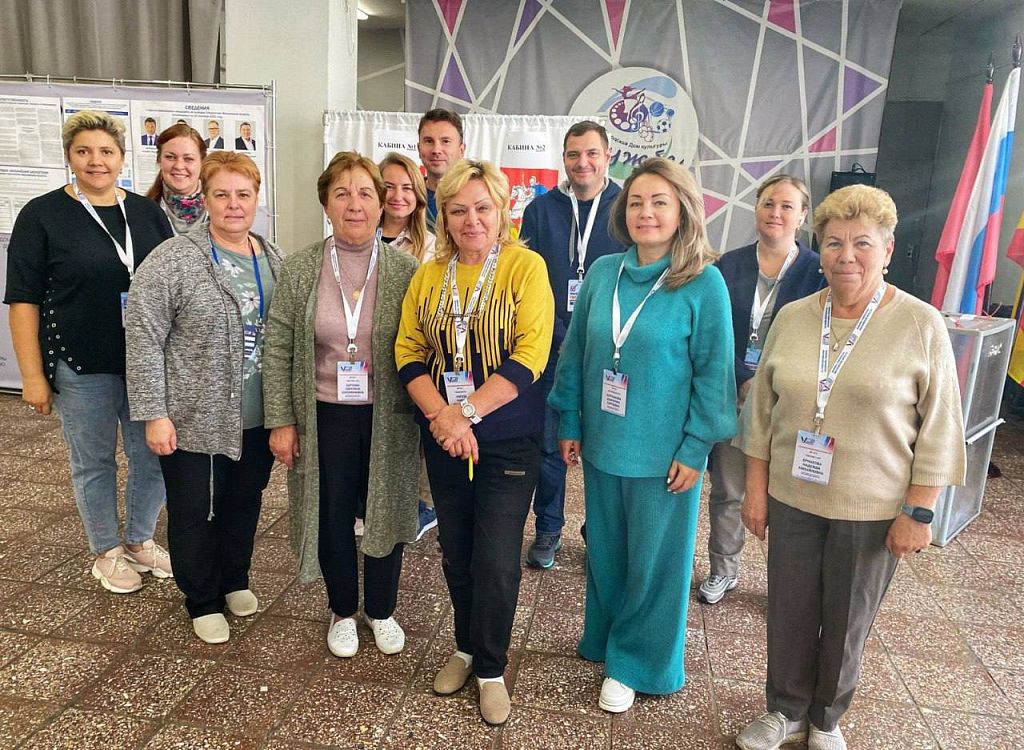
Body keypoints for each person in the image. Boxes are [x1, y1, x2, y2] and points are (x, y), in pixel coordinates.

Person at [734, 185, 966, 750]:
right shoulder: (793, 317)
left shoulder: (920, 323)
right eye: (834, 243)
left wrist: (920, 512)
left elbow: (940, 427)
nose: (846, 256)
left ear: (887, 250)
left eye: (863, 243)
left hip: (873, 508)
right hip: (792, 497)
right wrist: (755, 491)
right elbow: (761, 415)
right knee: (789, 611)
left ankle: (825, 719)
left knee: (847, 620)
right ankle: (785, 710)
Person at [548, 157, 735, 714]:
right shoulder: (604, 272)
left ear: (683, 211)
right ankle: (607, 638)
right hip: (603, 445)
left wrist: (696, 448)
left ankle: (638, 664)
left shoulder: (703, 282)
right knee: (606, 553)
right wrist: (570, 419)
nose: (645, 212)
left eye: (659, 202)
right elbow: (576, 352)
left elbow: (714, 376)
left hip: (665, 458)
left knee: (656, 566)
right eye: (635, 202)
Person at [395, 159, 554, 725]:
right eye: (458, 210)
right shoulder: (429, 274)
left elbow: (531, 355)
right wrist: (443, 418)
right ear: (443, 217)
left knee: (496, 558)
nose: (471, 220)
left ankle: (490, 668)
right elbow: (408, 351)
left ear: (502, 211)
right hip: (444, 437)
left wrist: (463, 413)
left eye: (482, 208)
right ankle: (465, 647)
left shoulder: (524, 267)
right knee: (457, 550)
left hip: (507, 439)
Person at [4, 110, 173, 594]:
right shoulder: (42, 215)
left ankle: (139, 539)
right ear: (69, 157)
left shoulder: (146, 213)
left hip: (146, 363)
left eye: (106, 151)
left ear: (122, 158)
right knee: (94, 462)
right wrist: (32, 376)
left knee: (153, 456)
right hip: (80, 364)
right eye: (84, 151)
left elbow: (173, 284)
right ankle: (106, 551)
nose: (96, 161)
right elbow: (23, 301)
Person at [262, 152, 420, 658]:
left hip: (389, 415)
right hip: (323, 413)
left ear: (382, 204)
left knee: (385, 510)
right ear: (326, 204)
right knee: (330, 512)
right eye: (342, 194)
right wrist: (281, 420)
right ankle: (343, 610)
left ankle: (382, 610)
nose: (355, 204)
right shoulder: (301, 267)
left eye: (366, 193)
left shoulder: (406, 270)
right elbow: (278, 346)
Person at [125, 151, 283, 644]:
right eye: (222, 194)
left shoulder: (273, 258)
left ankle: (234, 579)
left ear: (257, 199)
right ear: (205, 199)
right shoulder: (174, 258)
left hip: (257, 412)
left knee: (244, 502)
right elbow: (143, 335)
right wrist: (154, 413)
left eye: (243, 194)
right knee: (194, 508)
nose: (234, 204)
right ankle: (202, 598)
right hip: (190, 414)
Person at [698, 175, 824, 605]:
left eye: (787, 206)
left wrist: (770, 381)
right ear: (755, 208)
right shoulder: (726, 266)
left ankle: (788, 584)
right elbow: (713, 333)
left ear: (802, 216)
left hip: (790, 400)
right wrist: (742, 377)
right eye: (768, 203)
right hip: (735, 393)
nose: (776, 213)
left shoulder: (817, 271)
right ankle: (723, 568)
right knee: (729, 490)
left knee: (791, 497)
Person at [519, 120, 626, 568]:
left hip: (609, 347)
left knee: (604, 445)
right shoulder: (540, 211)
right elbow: (527, 281)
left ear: (607, 156)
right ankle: (548, 527)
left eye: (591, 153)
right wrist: (559, 337)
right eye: (573, 154)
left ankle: (598, 530)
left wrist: (588, 338)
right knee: (549, 445)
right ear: (563, 158)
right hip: (550, 347)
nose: (582, 162)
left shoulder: (625, 207)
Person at [378, 151, 438, 539]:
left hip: (413, 354)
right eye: (388, 187)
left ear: (418, 195)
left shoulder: (429, 247)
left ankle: (423, 502)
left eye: (406, 188)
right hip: (363, 357)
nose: (398, 196)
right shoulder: (357, 238)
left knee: (416, 431)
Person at [145, 123, 209, 235]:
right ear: (159, 160)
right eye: (170, 157)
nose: (179, 166)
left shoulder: (222, 211)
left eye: (188, 159)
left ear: (202, 162)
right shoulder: (141, 213)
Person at [417, 109, 465, 232]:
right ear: (419, 149)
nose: (436, 150)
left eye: (445, 141)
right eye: (429, 141)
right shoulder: (406, 199)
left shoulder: (479, 198)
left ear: (461, 150)